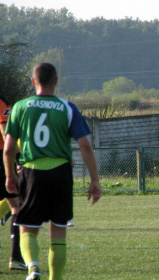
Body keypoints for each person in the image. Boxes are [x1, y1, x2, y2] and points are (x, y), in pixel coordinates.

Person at [3, 62, 102, 280]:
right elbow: (85, 145)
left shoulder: (20, 107)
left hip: (31, 172)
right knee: (58, 232)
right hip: (61, 173)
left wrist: (10, 175)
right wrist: (94, 180)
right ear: (56, 82)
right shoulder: (68, 108)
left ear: (33, 81)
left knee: (27, 228)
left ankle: (33, 267)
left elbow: (8, 149)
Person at [0, 95, 26, 271]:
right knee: (16, 206)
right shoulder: (1, 102)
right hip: (0, 158)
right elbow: (4, 130)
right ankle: (16, 258)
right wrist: (19, 158)